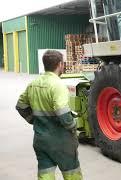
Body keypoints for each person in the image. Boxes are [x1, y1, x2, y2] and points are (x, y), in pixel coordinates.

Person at [16, 50, 83, 180]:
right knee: (72, 174)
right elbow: (63, 113)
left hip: (41, 140)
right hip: (62, 142)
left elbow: (20, 105)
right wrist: (73, 126)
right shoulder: (58, 85)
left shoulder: (33, 84)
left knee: (45, 175)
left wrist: (33, 120)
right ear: (60, 64)